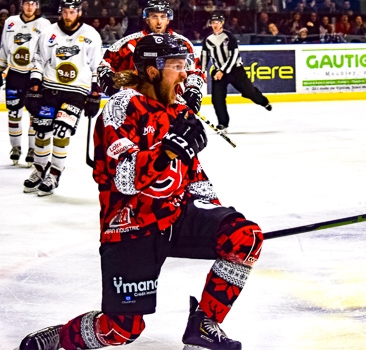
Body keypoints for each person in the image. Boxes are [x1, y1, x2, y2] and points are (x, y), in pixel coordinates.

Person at [17, 33, 264, 350]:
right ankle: (60, 337)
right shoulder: (121, 108)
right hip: (130, 225)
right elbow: (124, 179)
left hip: (175, 214)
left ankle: (204, 325)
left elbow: (193, 171)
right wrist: (167, 153)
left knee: (244, 236)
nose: (185, 73)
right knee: (120, 330)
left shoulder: (177, 110)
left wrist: (213, 211)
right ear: (152, 70)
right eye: (177, 66)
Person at [22, 0, 102, 196]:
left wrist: (95, 93)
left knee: (61, 131)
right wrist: (34, 86)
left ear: (79, 12)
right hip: (49, 89)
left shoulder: (91, 34)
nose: (68, 16)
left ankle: (55, 173)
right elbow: (39, 60)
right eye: (65, 12)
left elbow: (97, 66)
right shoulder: (49, 32)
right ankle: (40, 169)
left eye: (72, 12)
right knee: (41, 130)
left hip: (76, 92)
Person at [97, 0, 204, 115]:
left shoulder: (183, 44)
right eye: (154, 16)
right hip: (137, 109)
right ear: (147, 18)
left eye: (163, 17)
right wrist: (105, 75)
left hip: (172, 107)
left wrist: (193, 89)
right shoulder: (128, 44)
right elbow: (104, 64)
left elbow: (195, 70)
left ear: (168, 19)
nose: (159, 21)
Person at [200, 12, 271, 131]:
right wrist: (202, 72)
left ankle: (263, 101)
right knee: (217, 99)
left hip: (235, 70)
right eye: (213, 22)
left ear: (222, 23)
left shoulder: (229, 36)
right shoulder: (208, 39)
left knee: (249, 92)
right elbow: (204, 56)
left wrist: (223, 70)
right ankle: (223, 123)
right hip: (218, 72)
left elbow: (234, 56)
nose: (215, 25)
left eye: (217, 22)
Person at [0, 0, 50, 166]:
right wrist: (1, 68)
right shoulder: (10, 22)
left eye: (33, 3)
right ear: (22, 5)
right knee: (14, 113)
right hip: (14, 74)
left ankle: (31, 148)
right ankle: (15, 148)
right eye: (27, 3)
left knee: (34, 114)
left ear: (37, 6)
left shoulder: (44, 24)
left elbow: (47, 51)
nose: (29, 7)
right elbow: (3, 47)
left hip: (34, 76)